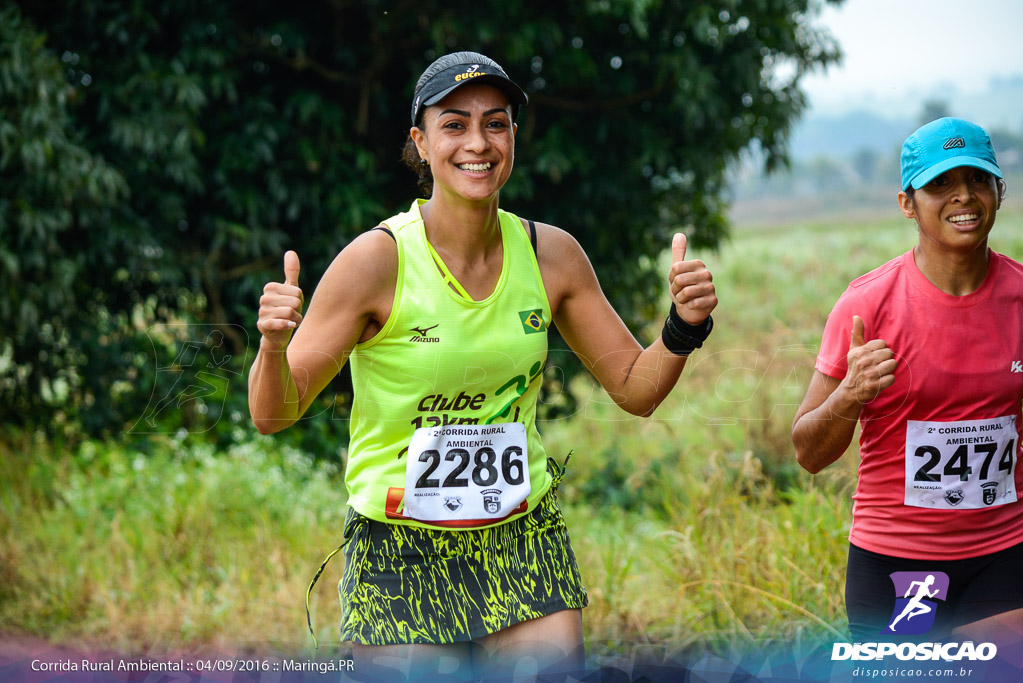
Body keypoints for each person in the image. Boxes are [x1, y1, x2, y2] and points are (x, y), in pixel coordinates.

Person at [248, 51, 717, 678]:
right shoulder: (375, 262)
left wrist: (683, 326)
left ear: (513, 138)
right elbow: (272, 415)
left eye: (496, 124)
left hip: (522, 536)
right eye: (454, 124)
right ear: (420, 142)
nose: (479, 143)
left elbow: (636, 388)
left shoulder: (552, 255)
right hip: (401, 548)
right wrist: (274, 347)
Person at [791, 117, 1023, 643]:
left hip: (1006, 556)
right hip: (897, 563)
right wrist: (849, 394)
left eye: (978, 179)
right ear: (907, 203)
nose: (964, 196)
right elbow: (807, 451)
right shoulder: (865, 304)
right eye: (940, 183)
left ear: (999, 192)